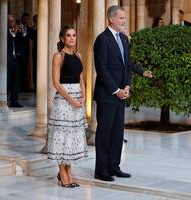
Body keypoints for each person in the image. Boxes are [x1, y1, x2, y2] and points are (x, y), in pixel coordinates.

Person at [94, 5, 138, 182]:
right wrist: (116, 90)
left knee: (118, 133)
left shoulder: (124, 39)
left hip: (121, 95)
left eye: (124, 18)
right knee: (104, 133)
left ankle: (114, 166)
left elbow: (127, 65)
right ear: (111, 19)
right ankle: (101, 170)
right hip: (107, 95)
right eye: (121, 18)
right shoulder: (102, 40)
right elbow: (102, 68)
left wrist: (127, 86)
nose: (124, 21)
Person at [48, 25, 88, 188]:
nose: (72, 38)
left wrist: (84, 96)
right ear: (62, 38)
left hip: (78, 99)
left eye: (74, 35)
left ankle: (68, 172)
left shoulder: (78, 55)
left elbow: (80, 78)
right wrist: (71, 100)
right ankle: (62, 173)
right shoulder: (58, 56)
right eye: (68, 36)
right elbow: (56, 83)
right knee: (62, 137)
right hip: (64, 101)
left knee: (72, 137)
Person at [7, 15, 24, 107]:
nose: (12, 22)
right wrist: (13, 33)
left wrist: (21, 33)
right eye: (10, 21)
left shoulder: (17, 32)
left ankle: (14, 101)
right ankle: (4, 99)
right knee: (7, 80)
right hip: (6, 60)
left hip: (16, 59)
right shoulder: (4, 30)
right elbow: (8, 40)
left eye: (13, 20)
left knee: (16, 80)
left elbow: (23, 40)